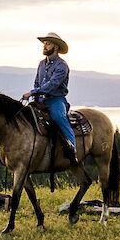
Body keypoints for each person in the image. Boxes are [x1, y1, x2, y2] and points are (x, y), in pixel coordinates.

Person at [21, 32, 76, 164]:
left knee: (58, 117)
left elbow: (52, 85)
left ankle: (72, 149)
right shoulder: (41, 64)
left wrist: (32, 92)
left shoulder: (62, 66)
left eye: (48, 44)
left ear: (56, 47)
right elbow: (37, 82)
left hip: (55, 99)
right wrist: (34, 96)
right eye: (44, 43)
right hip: (40, 100)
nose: (44, 46)